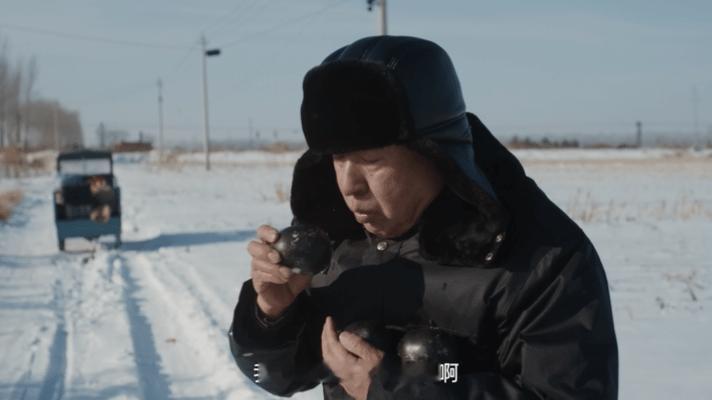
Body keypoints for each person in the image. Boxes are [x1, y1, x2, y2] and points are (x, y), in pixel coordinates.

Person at [229, 36, 618, 399]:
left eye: (371, 160)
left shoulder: (544, 261)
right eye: (338, 158)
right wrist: (271, 317)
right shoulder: (334, 239)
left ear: (436, 154)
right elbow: (272, 376)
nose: (349, 186)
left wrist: (400, 389)